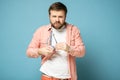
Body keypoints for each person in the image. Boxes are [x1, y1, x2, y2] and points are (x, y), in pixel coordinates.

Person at [26, 2, 85, 80]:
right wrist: (40, 51)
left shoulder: (74, 30)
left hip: (67, 78)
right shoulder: (41, 31)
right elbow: (29, 52)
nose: (57, 20)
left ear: (65, 16)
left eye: (60, 17)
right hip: (47, 77)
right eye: (54, 16)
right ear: (49, 16)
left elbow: (82, 52)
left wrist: (69, 49)